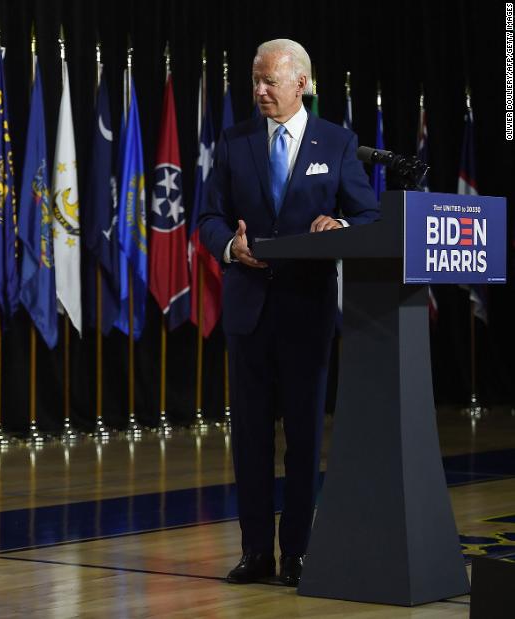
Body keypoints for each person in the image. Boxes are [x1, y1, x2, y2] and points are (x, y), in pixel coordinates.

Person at [198, 39, 379, 587]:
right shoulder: (234, 141)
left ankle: (297, 553)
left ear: (301, 83)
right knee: (250, 439)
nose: (259, 90)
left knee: (302, 441)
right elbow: (208, 217)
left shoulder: (338, 143)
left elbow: (368, 215)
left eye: (269, 81)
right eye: (255, 80)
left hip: (306, 312)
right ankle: (256, 552)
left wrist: (339, 226)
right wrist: (230, 247)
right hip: (248, 311)